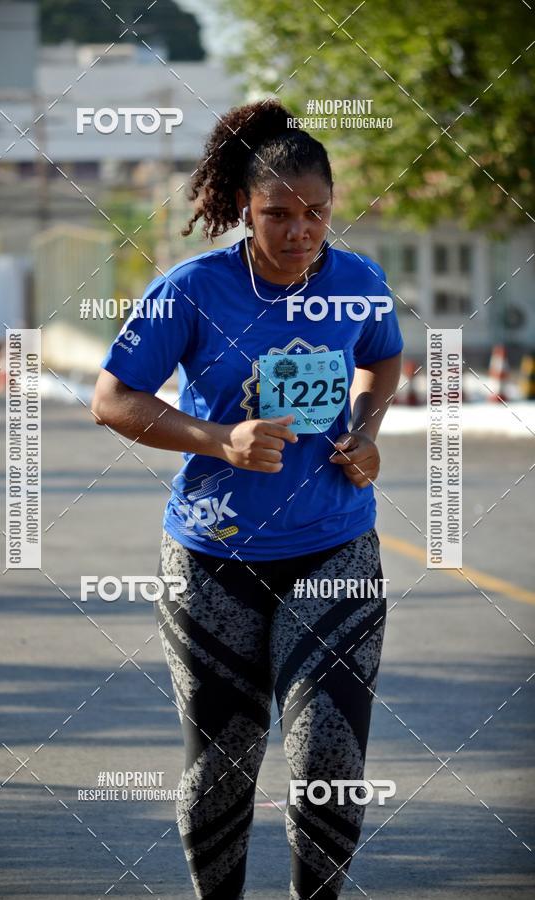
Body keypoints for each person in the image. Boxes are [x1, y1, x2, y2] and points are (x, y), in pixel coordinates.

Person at [92, 99, 403, 899]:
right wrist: (218, 439)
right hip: (212, 555)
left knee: (330, 753)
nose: (300, 232)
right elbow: (114, 399)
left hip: (336, 543)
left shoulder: (359, 281)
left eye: (316, 214)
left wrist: (366, 432)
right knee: (226, 760)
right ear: (243, 209)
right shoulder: (191, 291)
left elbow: (383, 361)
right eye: (278, 215)